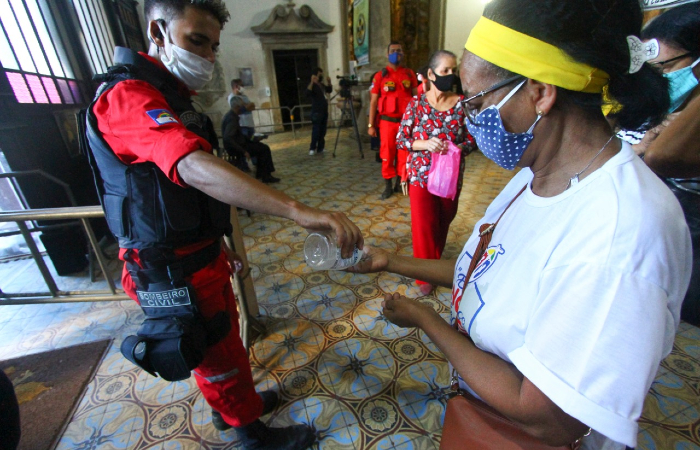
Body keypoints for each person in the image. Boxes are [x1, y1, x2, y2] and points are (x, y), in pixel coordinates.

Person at [349, 0, 691, 448]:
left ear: (539, 91)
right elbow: (490, 272)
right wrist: (390, 261)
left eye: (477, 101)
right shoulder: (535, 175)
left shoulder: (619, 234)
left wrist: (426, 320)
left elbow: (546, 418)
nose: (470, 120)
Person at [84, 1, 363, 449]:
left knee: (223, 343)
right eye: (197, 40)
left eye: (213, 46)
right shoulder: (128, 98)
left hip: (198, 253)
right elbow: (190, 167)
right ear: (158, 30)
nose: (208, 57)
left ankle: (232, 408)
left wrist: (219, 242)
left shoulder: (171, 96)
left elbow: (182, 193)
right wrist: (296, 210)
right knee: (217, 352)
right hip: (169, 268)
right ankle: (250, 434)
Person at [616, 3, 700, 326]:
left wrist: (645, 148)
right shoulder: (654, 105)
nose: (659, 80)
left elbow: (661, 157)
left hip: (683, 259)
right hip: (632, 251)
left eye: (664, 70)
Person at [396, 50, 473, 296]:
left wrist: (456, 147)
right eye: (445, 71)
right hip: (420, 175)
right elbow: (402, 139)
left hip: (450, 177)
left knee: (443, 221)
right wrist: (425, 143)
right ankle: (424, 277)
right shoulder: (416, 104)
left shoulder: (462, 104)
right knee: (423, 226)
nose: (450, 75)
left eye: (453, 70)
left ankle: (433, 263)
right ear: (430, 74)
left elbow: (473, 139)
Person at [368, 41, 417, 199]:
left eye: (399, 50)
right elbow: (374, 102)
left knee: (404, 155)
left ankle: (399, 183)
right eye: (393, 50)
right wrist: (370, 125)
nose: (396, 53)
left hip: (406, 124)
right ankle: (387, 186)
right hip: (387, 122)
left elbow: (417, 99)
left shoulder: (409, 74)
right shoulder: (380, 76)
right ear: (387, 54)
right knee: (387, 153)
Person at [221, 109, 279, 183]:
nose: (244, 107)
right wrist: (243, 151)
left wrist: (253, 139)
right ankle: (266, 176)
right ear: (237, 106)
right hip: (238, 148)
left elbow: (237, 135)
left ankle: (261, 173)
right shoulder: (232, 119)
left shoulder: (231, 115)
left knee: (261, 147)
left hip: (240, 144)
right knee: (264, 149)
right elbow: (228, 138)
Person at [306, 67, 332, 156]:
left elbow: (329, 90)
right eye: (319, 74)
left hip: (324, 110)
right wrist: (312, 82)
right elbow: (307, 93)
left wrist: (329, 82)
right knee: (316, 131)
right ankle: (312, 148)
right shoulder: (312, 85)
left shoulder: (321, 85)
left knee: (323, 130)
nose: (321, 76)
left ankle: (321, 148)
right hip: (317, 111)